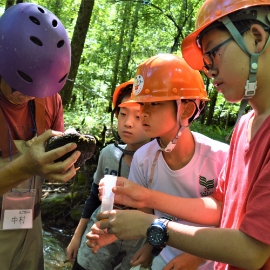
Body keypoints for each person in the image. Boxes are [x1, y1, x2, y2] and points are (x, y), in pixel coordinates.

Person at [88, 1, 270, 269]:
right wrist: (145, 199)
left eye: (214, 55)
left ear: (256, 37)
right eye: (205, 63)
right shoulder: (245, 125)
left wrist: (154, 226)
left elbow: (253, 251)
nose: (210, 72)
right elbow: (219, 205)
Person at [87, 54, 229, 270]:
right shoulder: (144, 159)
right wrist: (147, 244)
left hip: (216, 258)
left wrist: (197, 257)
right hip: (166, 252)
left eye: (154, 103)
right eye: (142, 104)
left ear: (187, 109)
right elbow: (147, 216)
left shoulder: (220, 158)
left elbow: (231, 218)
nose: (143, 113)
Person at [0, 2, 75, 270]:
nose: (29, 96)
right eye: (19, 86)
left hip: (28, 225)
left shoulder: (50, 102)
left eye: (38, 90)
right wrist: (25, 167)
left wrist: (64, 163)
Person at [67, 79, 150, 270]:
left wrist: (150, 247)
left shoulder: (159, 164)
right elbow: (93, 199)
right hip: (95, 244)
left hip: (134, 250)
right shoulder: (108, 154)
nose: (128, 123)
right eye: (122, 114)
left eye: (138, 117)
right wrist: (77, 237)